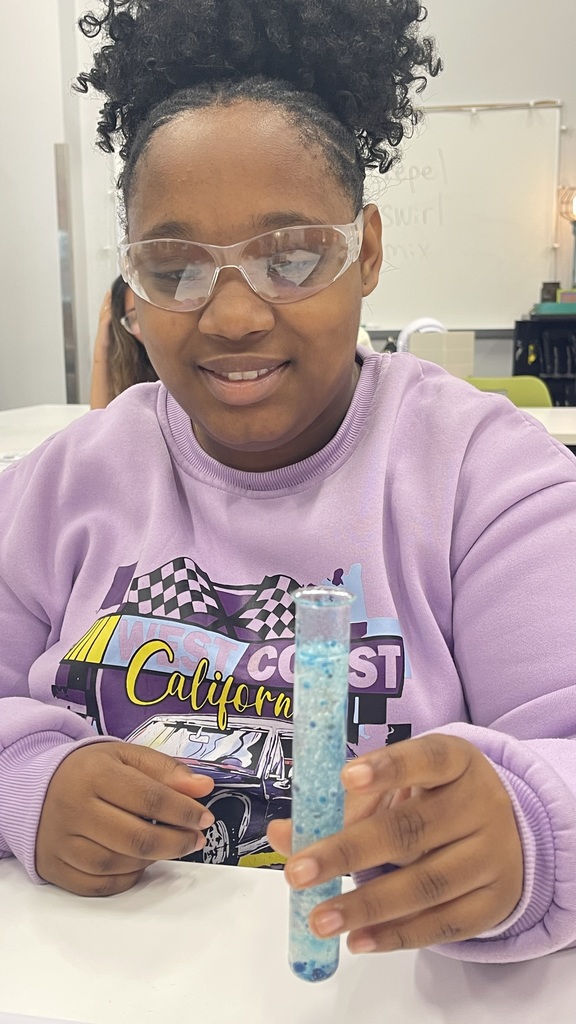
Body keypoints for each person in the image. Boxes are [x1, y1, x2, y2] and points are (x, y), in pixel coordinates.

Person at [0, 0, 575, 967]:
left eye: (294, 256)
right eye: (175, 268)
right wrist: (27, 780)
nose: (230, 317)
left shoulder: (488, 480)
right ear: (131, 287)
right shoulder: (66, 484)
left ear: (370, 251)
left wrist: (527, 832)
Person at [90, 275, 158, 408]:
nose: (146, 326)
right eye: (135, 317)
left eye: (151, 310)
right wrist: (102, 347)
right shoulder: (136, 367)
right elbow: (100, 420)